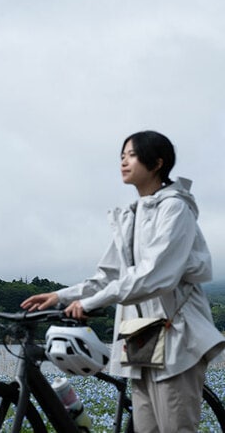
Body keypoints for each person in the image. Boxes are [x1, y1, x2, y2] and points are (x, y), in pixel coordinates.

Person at [21, 130, 225, 432]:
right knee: (146, 427)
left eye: (131, 155)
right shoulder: (130, 216)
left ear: (157, 163)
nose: (123, 162)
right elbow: (108, 276)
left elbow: (156, 275)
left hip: (176, 332)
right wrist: (60, 296)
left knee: (175, 426)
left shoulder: (175, 208)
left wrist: (89, 303)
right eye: (121, 156)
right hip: (140, 332)